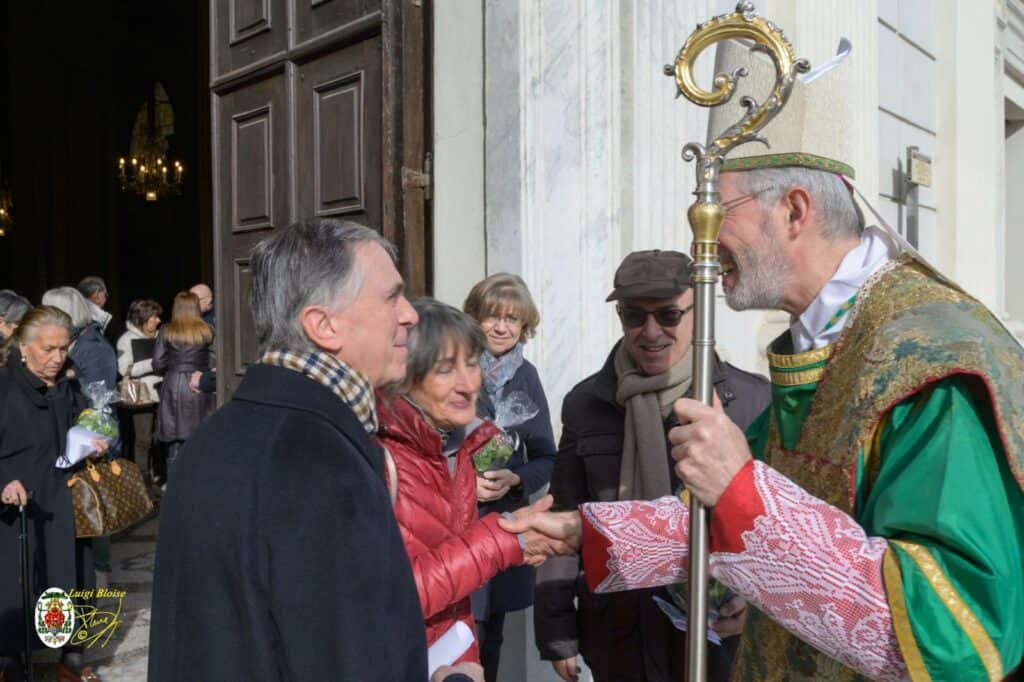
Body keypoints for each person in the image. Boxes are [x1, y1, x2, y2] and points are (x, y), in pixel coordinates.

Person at [504, 40, 1024, 680]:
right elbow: (742, 515)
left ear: (794, 210)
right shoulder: (825, 336)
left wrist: (743, 487)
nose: (704, 237)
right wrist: (591, 533)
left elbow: (958, 637)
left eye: (720, 209)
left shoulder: (930, 360)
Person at [148, 218, 428, 680]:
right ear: (323, 325)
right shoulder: (320, 460)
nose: (410, 314)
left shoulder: (212, 438)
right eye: (390, 296)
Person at [532, 249, 769, 682]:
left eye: (668, 315)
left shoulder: (751, 401)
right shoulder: (587, 404)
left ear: (699, 311)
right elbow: (564, 514)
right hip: (619, 629)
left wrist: (757, 608)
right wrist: (557, 631)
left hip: (715, 634)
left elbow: (775, 528)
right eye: (633, 316)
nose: (651, 331)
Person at [377, 297, 549, 668]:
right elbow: (394, 597)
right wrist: (504, 540)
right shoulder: (378, 457)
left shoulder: (462, 443)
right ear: (402, 375)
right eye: (444, 369)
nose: (468, 384)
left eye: (472, 363)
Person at [0, 306, 109, 682]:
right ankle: (12, 659)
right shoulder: (3, 387)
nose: (57, 358)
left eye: (63, 349)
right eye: (48, 349)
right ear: (23, 348)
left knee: (71, 578)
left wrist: (97, 440)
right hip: (18, 506)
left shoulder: (69, 386)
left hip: (65, 501)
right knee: (19, 584)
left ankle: (71, 657)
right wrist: (3, 481)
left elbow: (84, 426)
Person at [462, 273, 555, 681]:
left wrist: (514, 480)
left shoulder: (527, 377)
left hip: (501, 525)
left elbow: (546, 457)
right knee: (459, 632)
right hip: (454, 527)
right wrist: (466, 480)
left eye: (512, 320)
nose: (501, 327)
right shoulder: (453, 365)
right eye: (492, 316)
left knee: (491, 634)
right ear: (475, 318)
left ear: (524, 326)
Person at [151, 292, 215, 476]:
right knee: (200, 441)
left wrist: (174, 366)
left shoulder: (166, 330)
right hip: (198, 387)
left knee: (174, 444)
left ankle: (174, 491)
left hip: (174, 387)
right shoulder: (207, 330)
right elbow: (214, 362)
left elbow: (157, 363)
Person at [116, 299, 163, 484]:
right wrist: (153, 363)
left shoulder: (160, 336)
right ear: (142, 319)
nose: (158, 320)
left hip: (162, 393)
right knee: (143, 440)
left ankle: (160, 476)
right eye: (154, 317)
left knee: (159, 439)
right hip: (142, 397)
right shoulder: (126, 340)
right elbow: (124, 369)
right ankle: (143, 483)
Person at [41, 287, 117, 391]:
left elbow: (99, 400)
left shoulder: (96, 350)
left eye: (46, 313)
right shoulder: (71, 341)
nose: (42, 319)